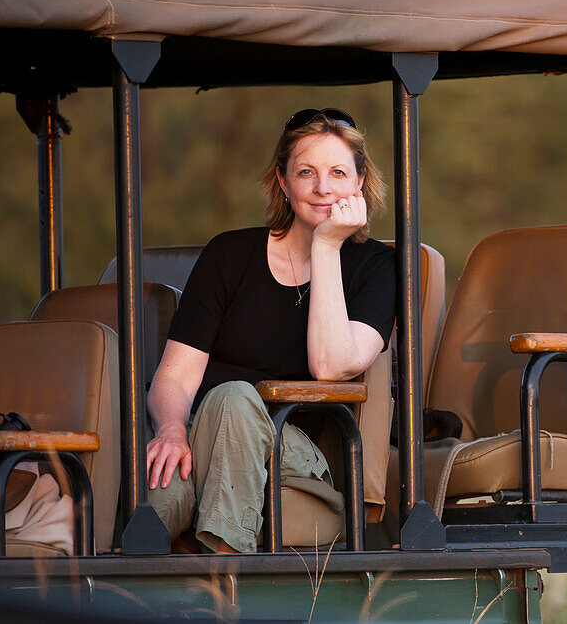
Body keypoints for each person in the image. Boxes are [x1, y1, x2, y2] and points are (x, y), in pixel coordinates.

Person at [145, 108, 395, 553]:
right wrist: (170, 429)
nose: (322, 188)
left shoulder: (377, 266)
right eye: (306, 172)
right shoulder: (228, 254)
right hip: (203, 432)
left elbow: (330, 366)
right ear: (283, 181)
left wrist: (327, 244)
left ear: (359, 181)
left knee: (237, 397)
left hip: (292, 446)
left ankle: (226, 571)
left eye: (338, 172)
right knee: (160, 482)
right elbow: (176, 376)